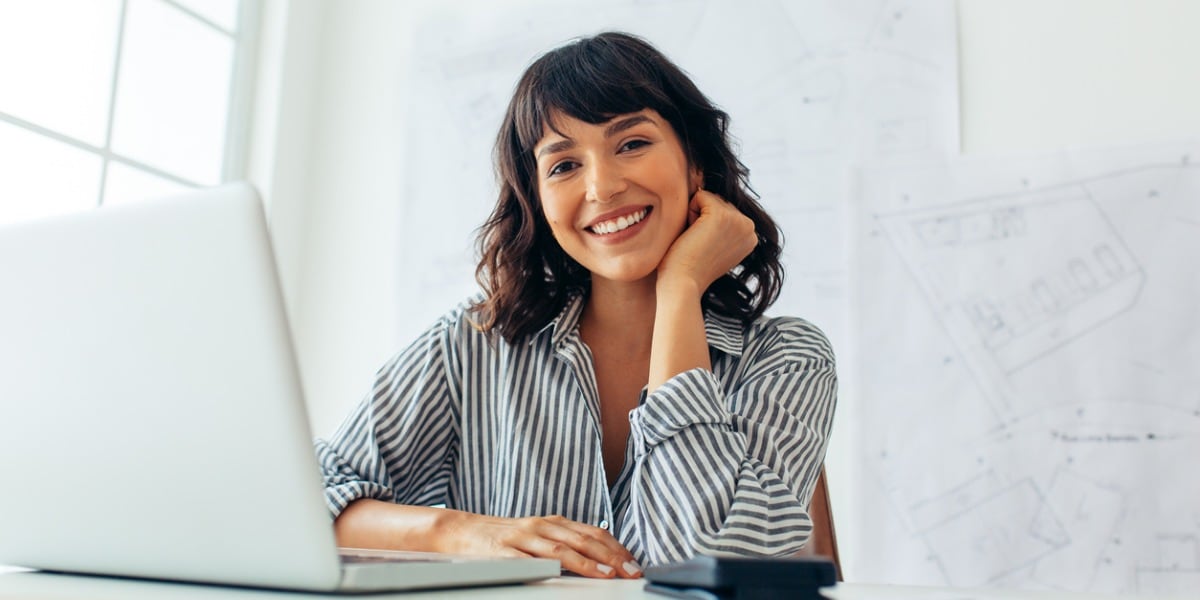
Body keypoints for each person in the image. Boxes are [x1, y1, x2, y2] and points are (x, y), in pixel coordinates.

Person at [314, 31, 837, 580]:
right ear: (538, 200)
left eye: (632, 143)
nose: (603, 187)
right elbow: (307, 503)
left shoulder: (789, 357)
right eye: (563, 166)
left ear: (695, 166)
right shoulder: (473, 342)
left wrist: (680, 290)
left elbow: (706, 564)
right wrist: (462, 532)